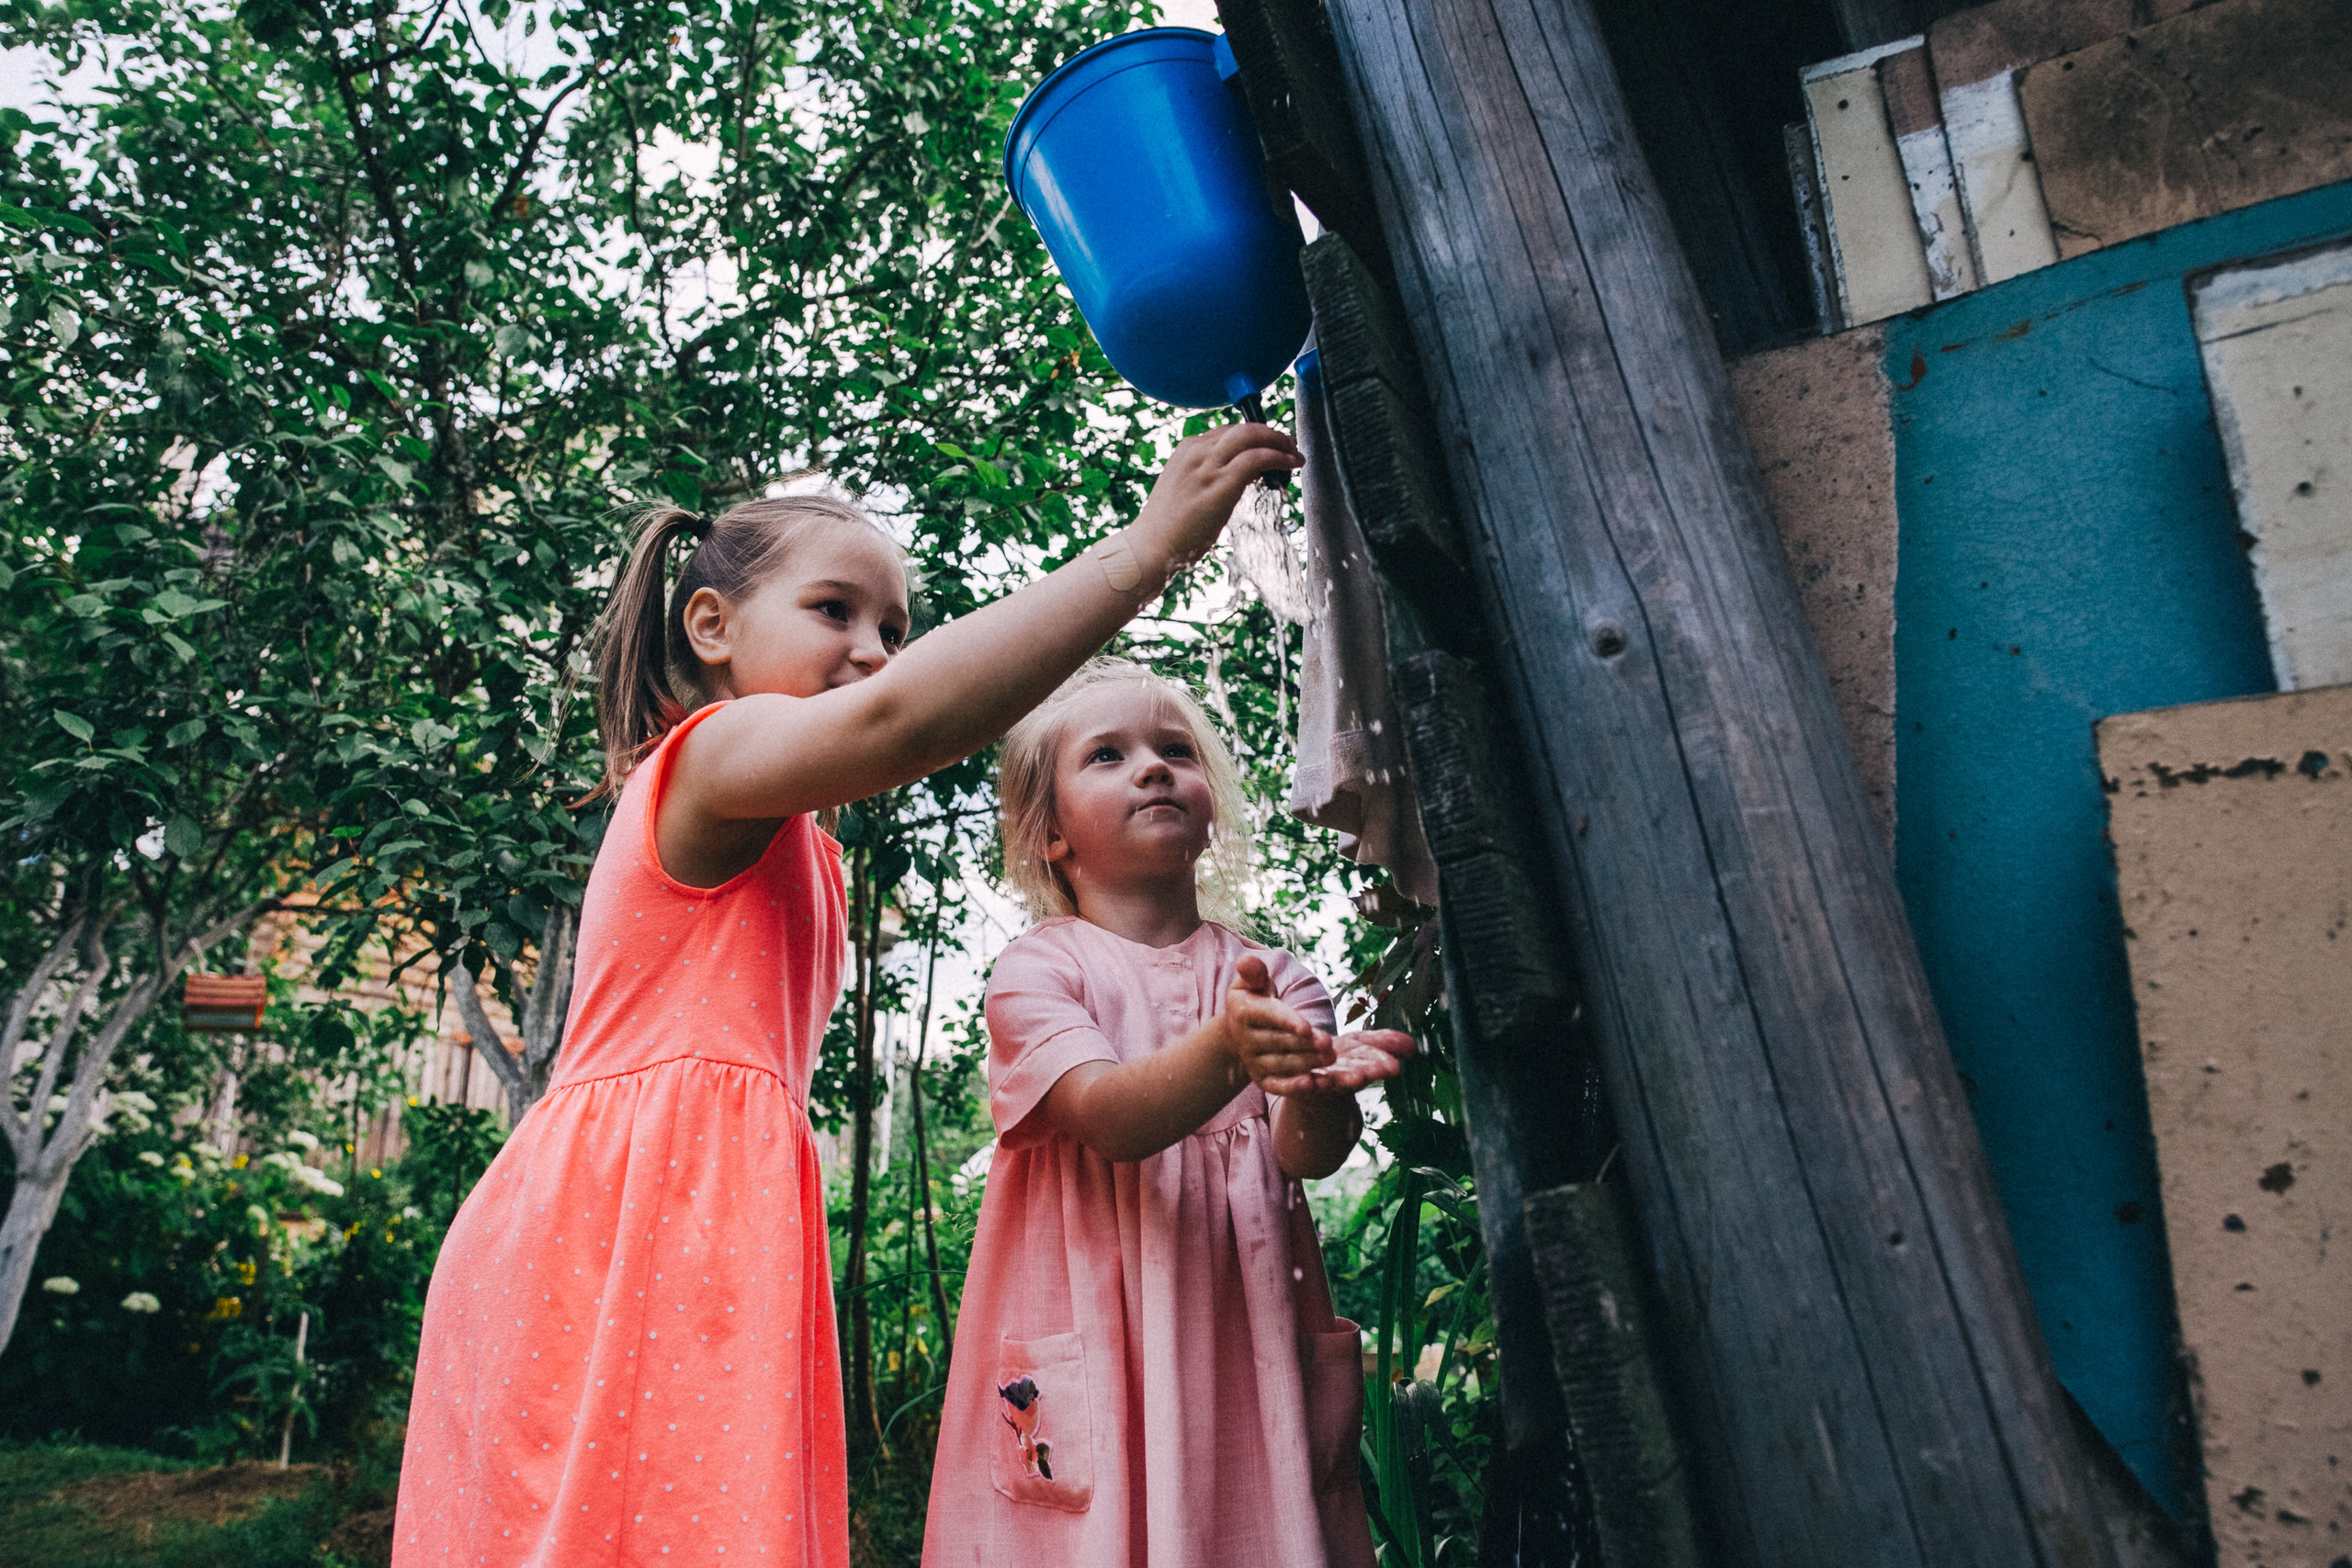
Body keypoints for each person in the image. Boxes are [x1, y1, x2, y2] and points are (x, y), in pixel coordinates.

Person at [390, 423, 1301, 1568]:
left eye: (894, 629)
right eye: (836, 611)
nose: (875, 651)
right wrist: (1144, 551)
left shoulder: (792, 833)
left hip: (696, 1203)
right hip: (620, 1214)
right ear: (711, 628)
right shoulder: (713, 761)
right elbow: (899, 721)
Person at [922, 658, 1414, 1568]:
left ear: (1209, 804)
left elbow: (1304, 1156)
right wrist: (1231, 1048)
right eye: (1107, 755)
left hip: (1244, 1345)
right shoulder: (1040, 973)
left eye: (1174, 750)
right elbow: (1110, 1116)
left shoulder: (1276, 977)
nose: (1153, 768)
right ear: (1050, 836)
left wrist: (1317, 1092)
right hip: (1097, 1357)